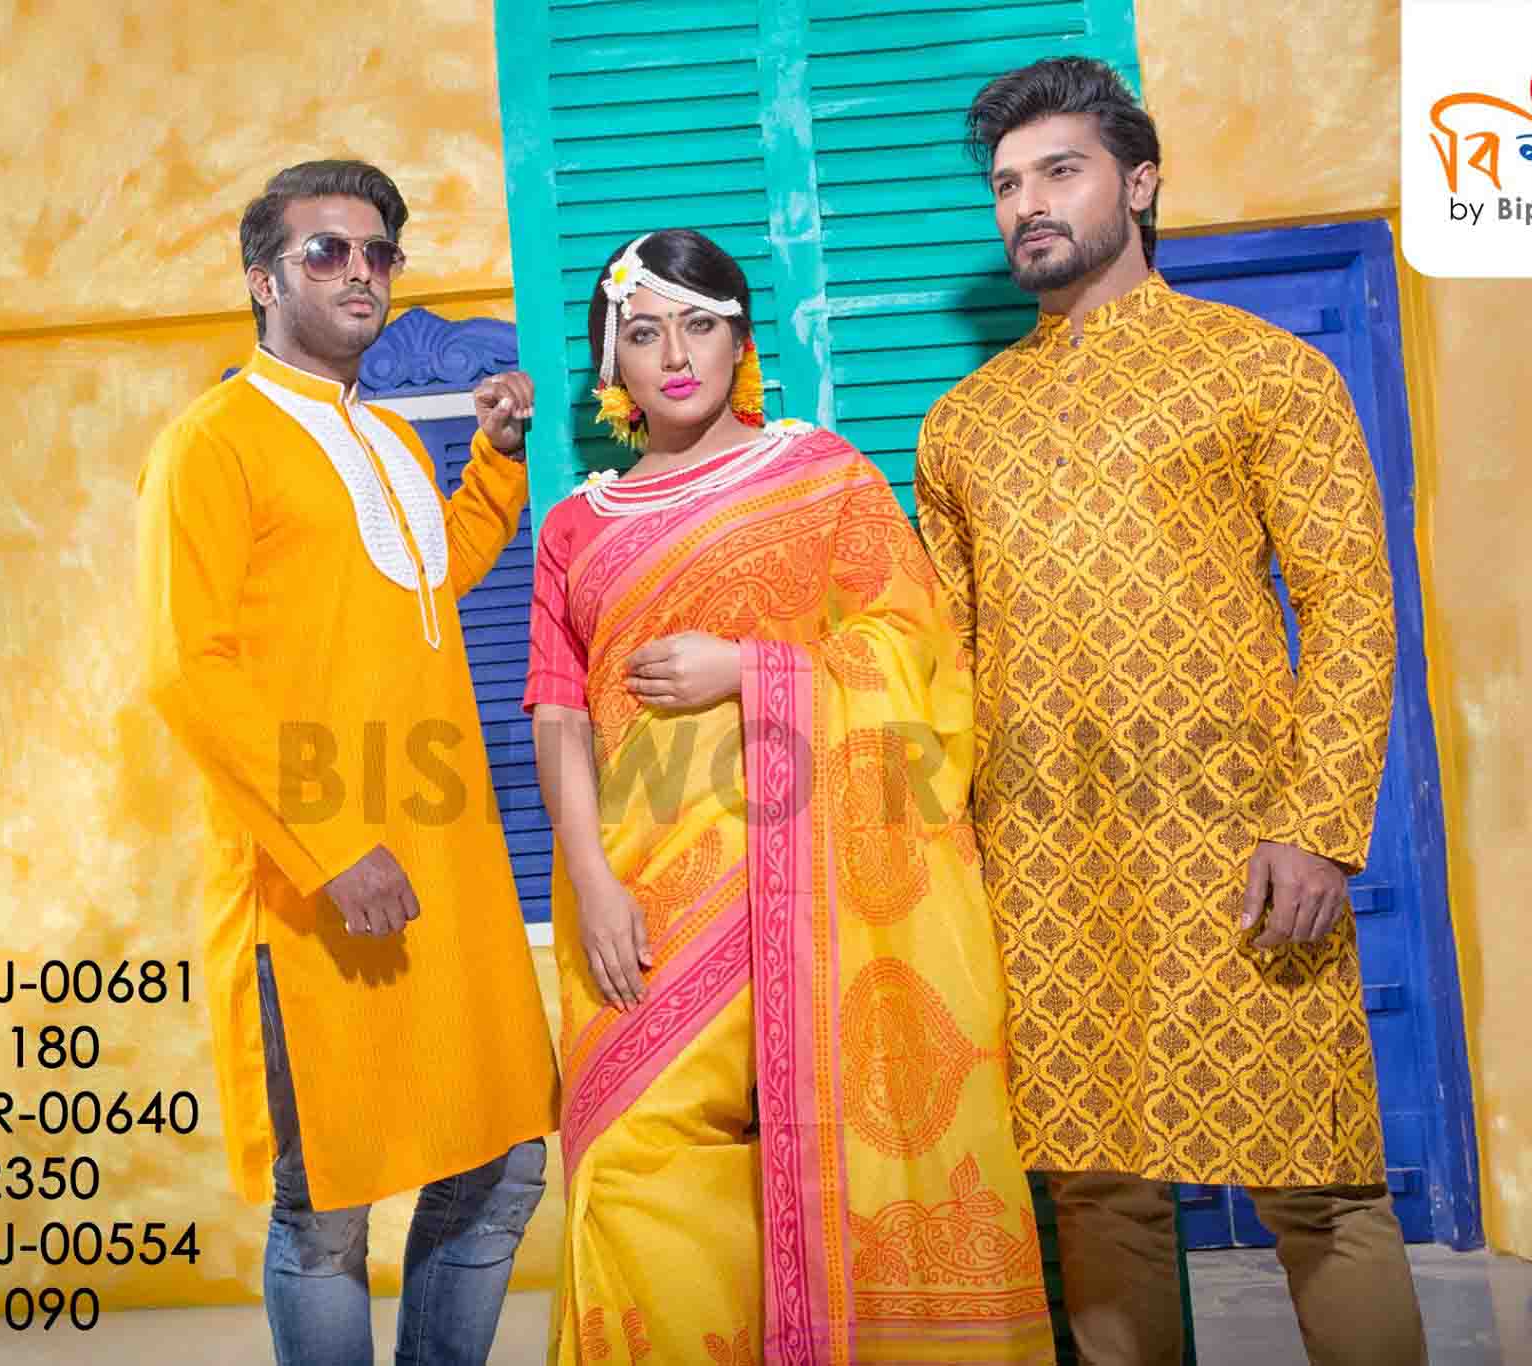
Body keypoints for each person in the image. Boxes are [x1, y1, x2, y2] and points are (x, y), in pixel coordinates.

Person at [915, 59, 1427, 1365]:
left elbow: (1351, 607)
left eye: (1060, 171)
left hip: (1242, 843)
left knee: (1318, 1182)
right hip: (1042, 860)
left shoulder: (1260, 371)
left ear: (1138, 183)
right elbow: (944, 658)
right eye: (1006, 184)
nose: (1027, 204)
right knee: (1093, 1181)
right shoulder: (963, 425)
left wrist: (1320, 825)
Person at [526, 228, 1054, 1364]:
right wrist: (593, 881)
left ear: (741, 341)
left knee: (827, 1142)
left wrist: (749, 668)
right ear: (610, 366)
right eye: (643, 333)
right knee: (626, 1161)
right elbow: (558, 714)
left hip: (818, 882)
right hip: (640, 888)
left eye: (699, 325)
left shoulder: (821, 478)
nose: (675, 355)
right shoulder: (575, 526)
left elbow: (919, 653)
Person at [137, 158, 558, 1366]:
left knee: (503, 1162)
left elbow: (421, 581)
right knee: (325, 1209)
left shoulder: (385, 438)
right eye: (325, 250)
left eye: (379, 252)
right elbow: (186, 669)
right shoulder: (213, 442)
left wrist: (496, 461)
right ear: (262, 279)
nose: (360, 271)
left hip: (444, 869)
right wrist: (329, 847)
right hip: (312, 884)